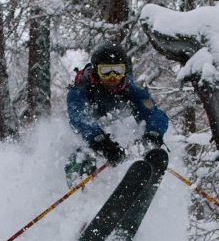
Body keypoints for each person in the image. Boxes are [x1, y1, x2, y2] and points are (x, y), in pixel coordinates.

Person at [65, 41, 169, 186]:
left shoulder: (131, 89)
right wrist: (100, 141)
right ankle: (81, 195)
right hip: (89, 138)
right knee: (81, 157)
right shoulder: (80, 90)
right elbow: (78, 117)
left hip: (124, 141)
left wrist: (154, 132)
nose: (112, 77)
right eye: (105, 71)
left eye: (118, 71)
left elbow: (153, 112)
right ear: (96, 71)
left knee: (140, 140)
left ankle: (138, 181)